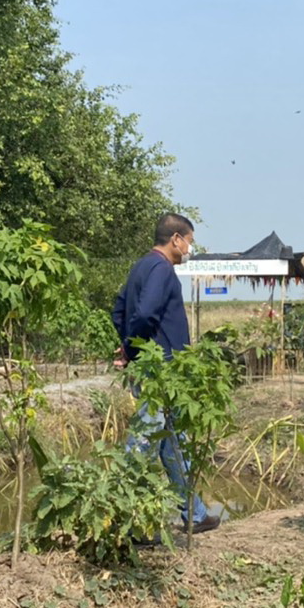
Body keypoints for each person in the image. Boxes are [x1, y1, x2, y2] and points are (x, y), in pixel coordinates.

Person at [112, 212, 217, 533]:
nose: (188, 249)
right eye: (188, 242)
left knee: (173, 443)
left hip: (158, 369)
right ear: (175, 239)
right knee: (142, 445)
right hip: (161, 370)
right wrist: (134, 349)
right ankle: (128, 524)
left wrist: (129, 346)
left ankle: (195, 515)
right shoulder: (161, 269)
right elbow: (144, 314)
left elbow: (119, 309)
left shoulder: (142, 267)